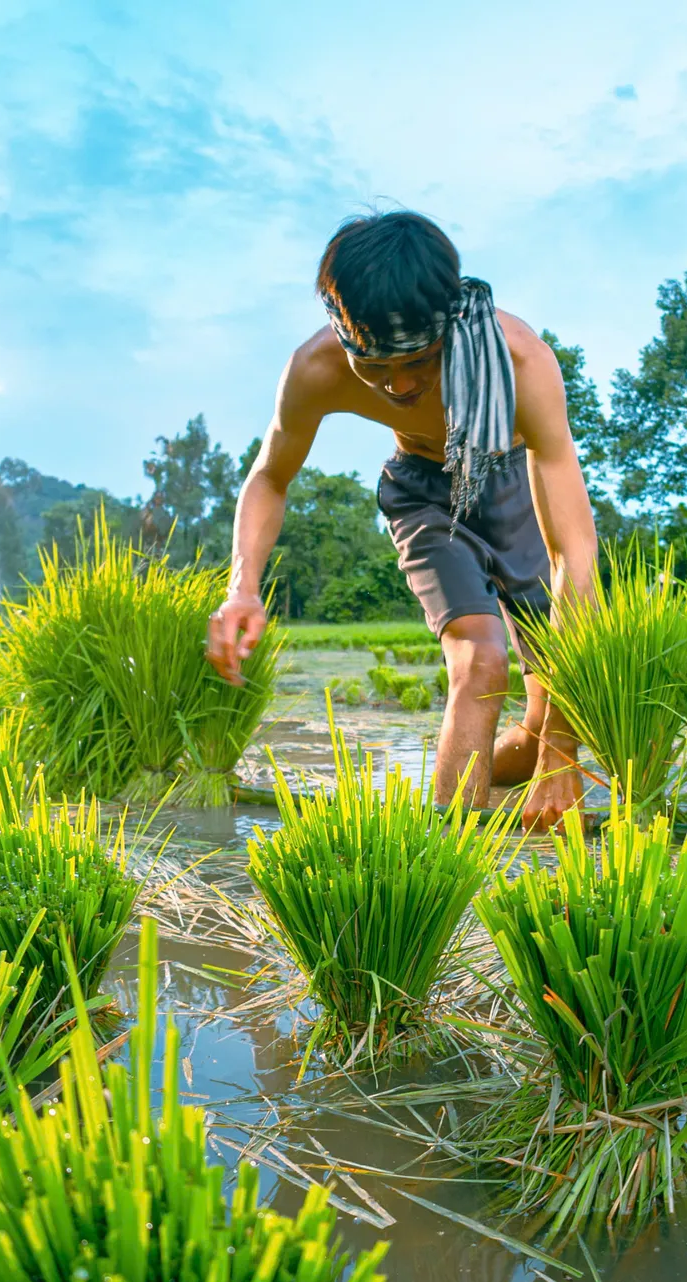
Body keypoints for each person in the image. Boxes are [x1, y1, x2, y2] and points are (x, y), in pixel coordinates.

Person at [205, 210, 599, 831]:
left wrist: (560, 751)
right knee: (481, 658)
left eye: (421, 360)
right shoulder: (317, 367)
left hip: (514, 483)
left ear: (449, 324)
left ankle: (454, 791)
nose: (399, 384)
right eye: (376, 365)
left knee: (544, 727)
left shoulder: (521, 364)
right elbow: (270, 476)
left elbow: (574, 555)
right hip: (420, 489)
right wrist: (242, 587)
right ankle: (444, 864)